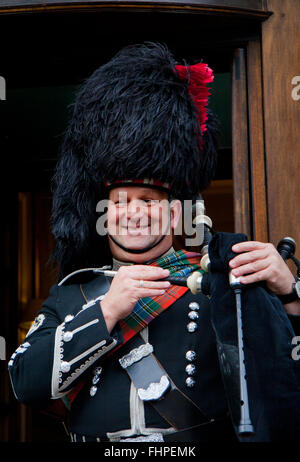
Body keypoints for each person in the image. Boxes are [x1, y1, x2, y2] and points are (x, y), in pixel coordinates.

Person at [8, 43, 300, 442]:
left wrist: (289, 293)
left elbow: (286, 380)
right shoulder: (73, 293)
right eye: (121, 203)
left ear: (175, 215)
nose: (134, 212)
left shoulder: (220, 282)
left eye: (148, 201)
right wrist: (107, 310)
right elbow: (24, 382)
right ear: (103, 216)